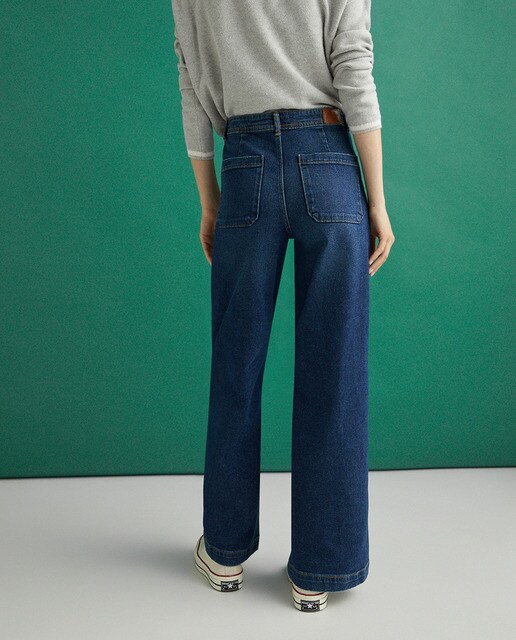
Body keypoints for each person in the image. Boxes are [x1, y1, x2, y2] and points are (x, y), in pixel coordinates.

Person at [171, 0, 395, 612]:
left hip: (245, 164)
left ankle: (224, 551)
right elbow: (353, 63)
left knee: (236, 366)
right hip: (329, 159)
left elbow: (191, 80)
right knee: (335, 372)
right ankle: (318, 570)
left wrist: (210, 199)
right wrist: (376, 199)